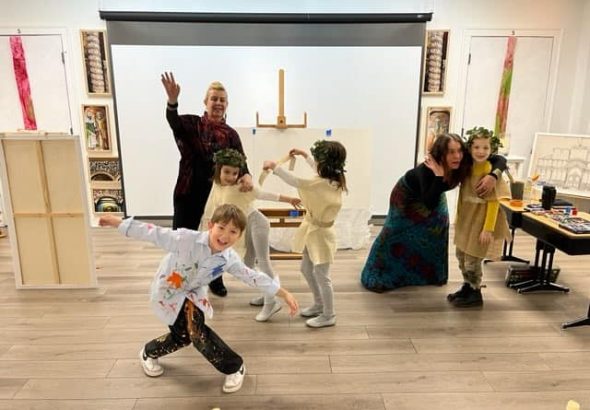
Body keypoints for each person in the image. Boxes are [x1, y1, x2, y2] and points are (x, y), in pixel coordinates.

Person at [98, 204, 298, 394]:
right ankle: (149, 352)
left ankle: (233, 367)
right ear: (211, 225)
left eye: (233, 231)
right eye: (221, 228)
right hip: (169, 291)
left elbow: (252, 276)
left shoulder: (229, 259)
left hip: (193, 294)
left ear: (239, 235)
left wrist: (283, 293)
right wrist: (118, 222)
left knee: (195, 333)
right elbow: (153, 233)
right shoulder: (185, 239)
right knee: (184, 337)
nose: (225, 236)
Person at [360, 133, 507, 292]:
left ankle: (429, 274)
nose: (457, 156)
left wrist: (493, 175)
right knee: (395, 231)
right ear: (441, 153)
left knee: (438, 228)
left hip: (435, 191)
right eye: (451, 152)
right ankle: (383, 270)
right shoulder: (427, 169)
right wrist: (439, 175)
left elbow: (500, 160)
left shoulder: (464, 160)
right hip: (407, 196)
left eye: (459, 150)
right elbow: (428, 203)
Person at [162, 71, 253, 297]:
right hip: (188, 191)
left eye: (222, 100)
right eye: (214, 99)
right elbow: (174, 122)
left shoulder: (230, 135)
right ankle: (178, 278)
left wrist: (247, 175)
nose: (218, 103)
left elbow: (240, 161)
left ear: (227, 105)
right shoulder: (192, 124)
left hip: (217, 196)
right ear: (206, 101)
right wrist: (172, 101)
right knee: (183, 239)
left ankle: (214, 279)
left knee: (217, 239)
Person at [201, 148, 301, 322]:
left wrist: (289, 199)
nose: (231, 176)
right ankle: (267, 291)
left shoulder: (242, 186)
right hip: (244, 226)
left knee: (264, 262)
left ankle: (271, 302)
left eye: (234, 173)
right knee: (247, 264)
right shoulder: (217, 185)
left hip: (257, 223)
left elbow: (263, 194)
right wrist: (208, 227)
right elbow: (212, 206)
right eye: (227, 172)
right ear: (219, 169)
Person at [263, 140, 347, 328]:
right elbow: (318, 168)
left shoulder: (321, 183)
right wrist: (305, 156)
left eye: (317, 160)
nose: (315, 163)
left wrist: (274, 167)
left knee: (322, 275)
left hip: (322, 235)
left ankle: (329, 314)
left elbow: (295, 181)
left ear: (324, 164)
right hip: (313, 231)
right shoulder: (334, 177)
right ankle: (319, 304)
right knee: (306, 269)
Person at [448, 128, 511, 307]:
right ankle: (467, 286)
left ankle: (475, 292)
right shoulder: (467, 166)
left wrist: (488, 228)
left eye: (485, 148)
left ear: (492, 149)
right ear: (469, 148)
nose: (481, 151)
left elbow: (493, 202)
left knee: (472, 259)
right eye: (476, 147)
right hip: (466, 219)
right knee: (461, 255)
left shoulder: (489, 170)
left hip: (480, 222)